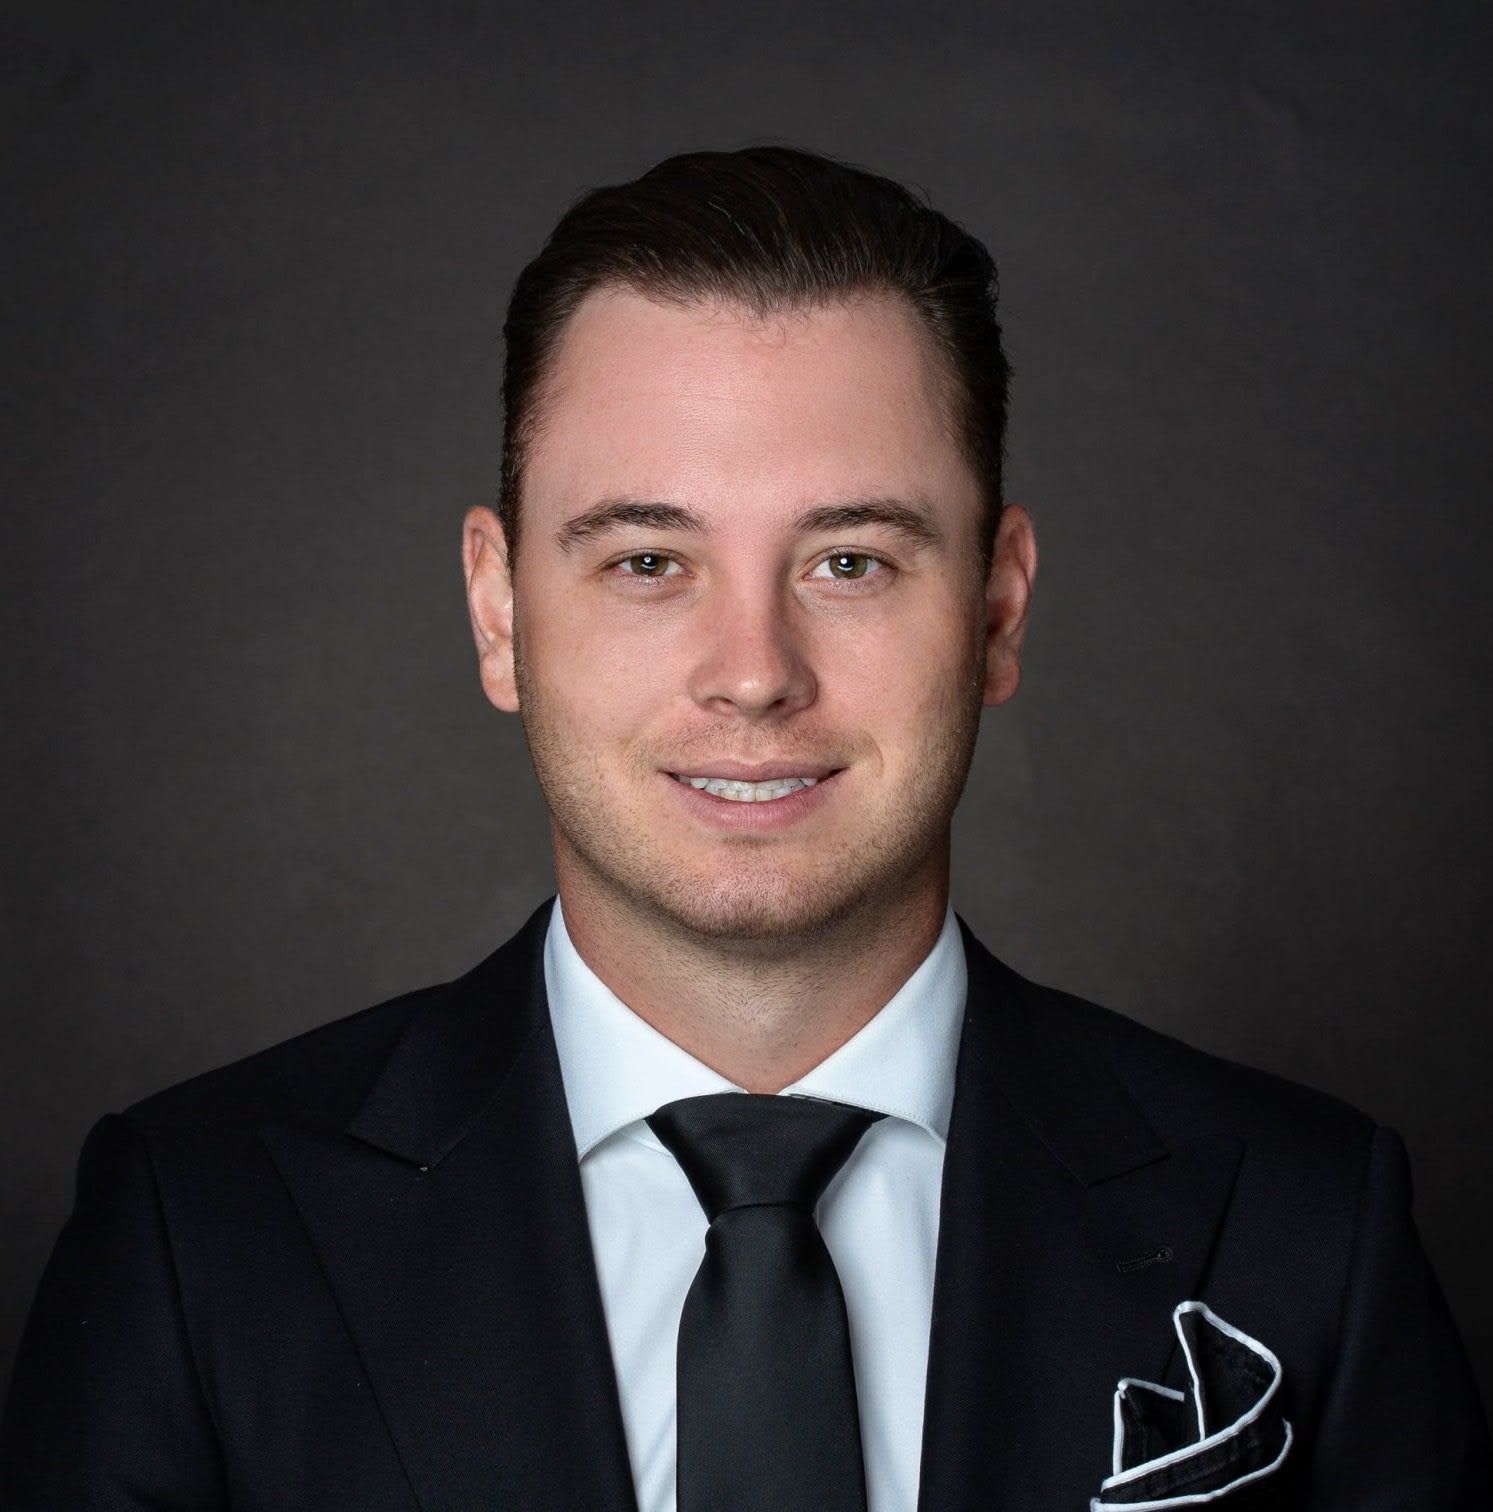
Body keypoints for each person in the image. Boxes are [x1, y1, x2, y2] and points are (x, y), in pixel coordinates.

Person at [1, 146, 1488, 1512]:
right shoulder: (196, 1232)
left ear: (996, 607)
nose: (754, 673)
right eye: (649, 560)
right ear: (498, 610)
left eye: (850, 561)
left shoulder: (1309, 1226)